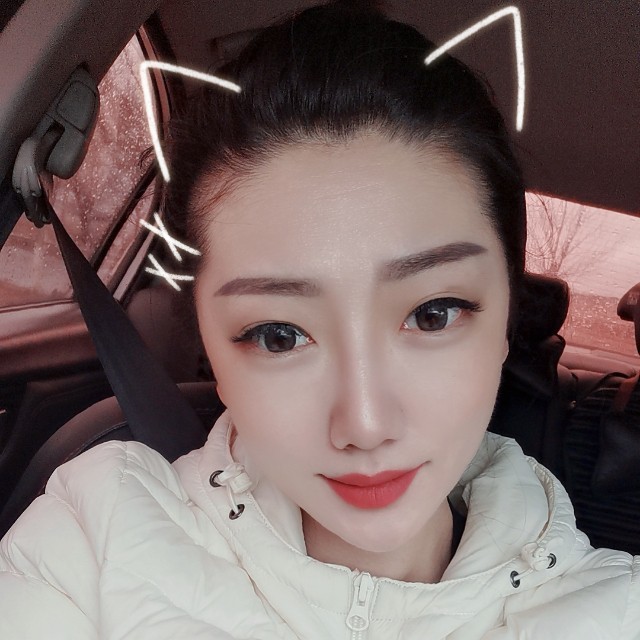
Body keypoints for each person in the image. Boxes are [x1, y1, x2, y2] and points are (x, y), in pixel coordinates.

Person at [0, 2, 638, 638]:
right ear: (211, 352)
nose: (365, 425)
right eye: (279, 336)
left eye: (433, 314)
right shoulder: (95, 542)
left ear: (505, 321)